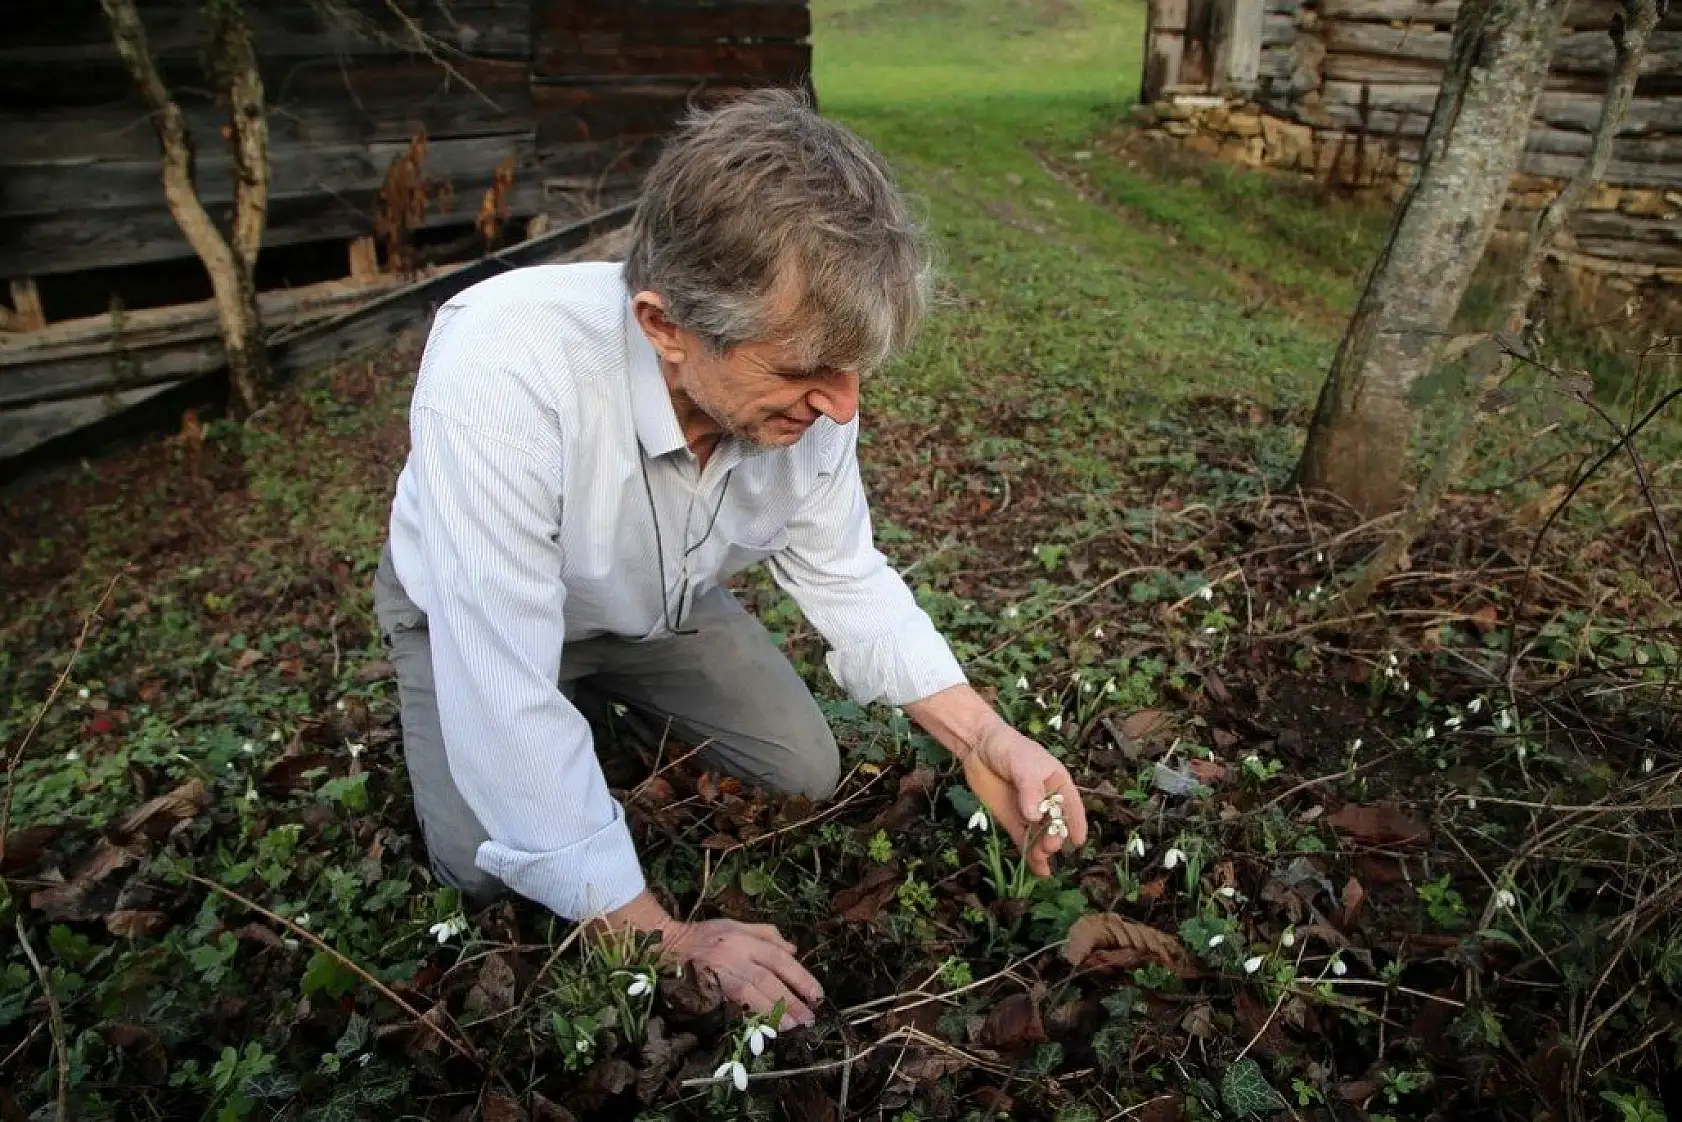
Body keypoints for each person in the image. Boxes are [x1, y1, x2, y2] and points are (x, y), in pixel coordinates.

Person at [372, 88, 1088, 1030]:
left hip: (660, 601)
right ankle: (566, 723)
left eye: (854, 370)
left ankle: (590, 707)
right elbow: (500, 679)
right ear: (666, 326)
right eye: (803, 372)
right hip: (477, 612)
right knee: (481, 869)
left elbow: (846, 573)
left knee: (802, 769)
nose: (840, 408)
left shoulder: (817, 396)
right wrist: (657, 936)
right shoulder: (503, 373)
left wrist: (982, 737)